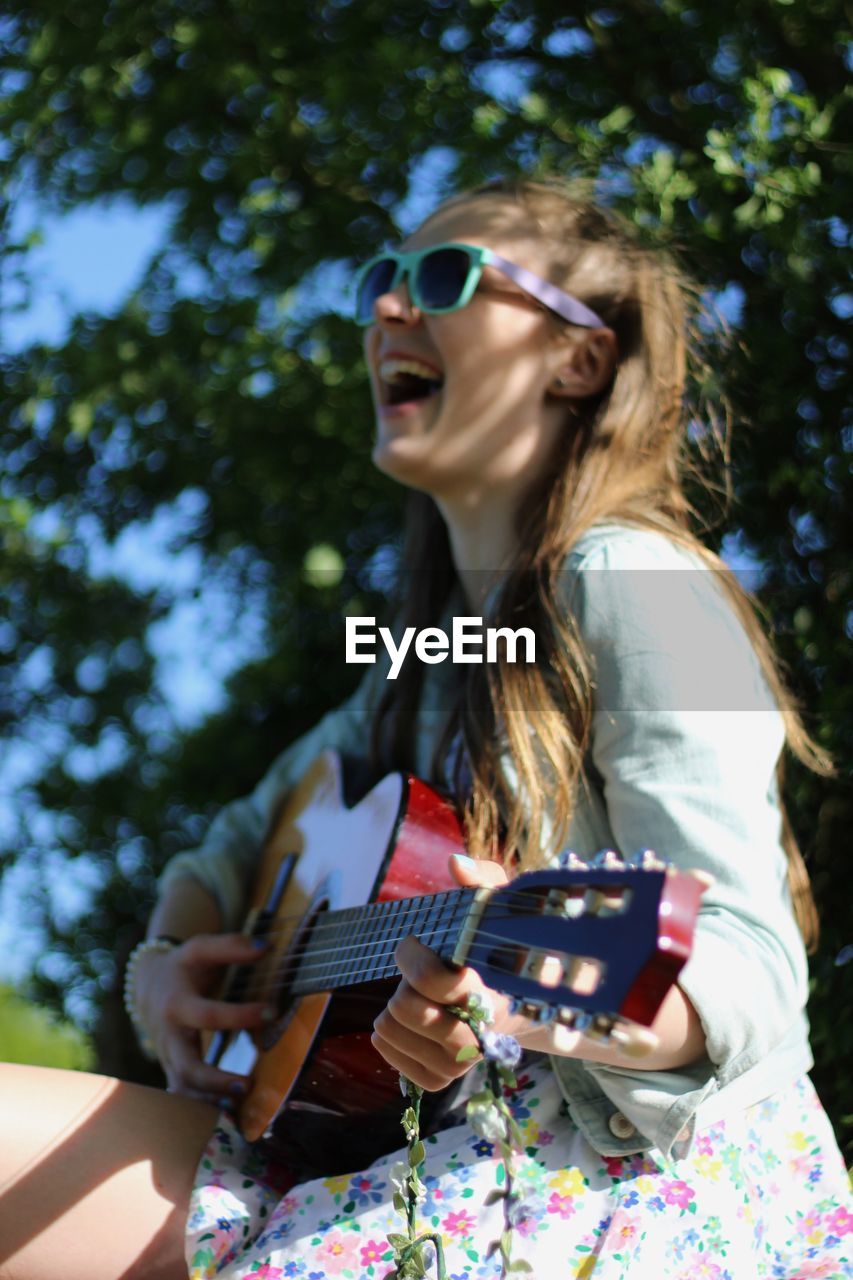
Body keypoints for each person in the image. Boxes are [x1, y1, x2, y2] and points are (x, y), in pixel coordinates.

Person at [1, 178, 850, 1280]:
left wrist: (528, 1000)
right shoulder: (429, 657)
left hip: (609, 1180)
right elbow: (221, 854)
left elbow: (747, 962)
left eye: (441, 279)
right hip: (369, 1148)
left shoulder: (643, 582)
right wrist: (163, 971)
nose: (388, 312)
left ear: (577, 359)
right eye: (378, 284)